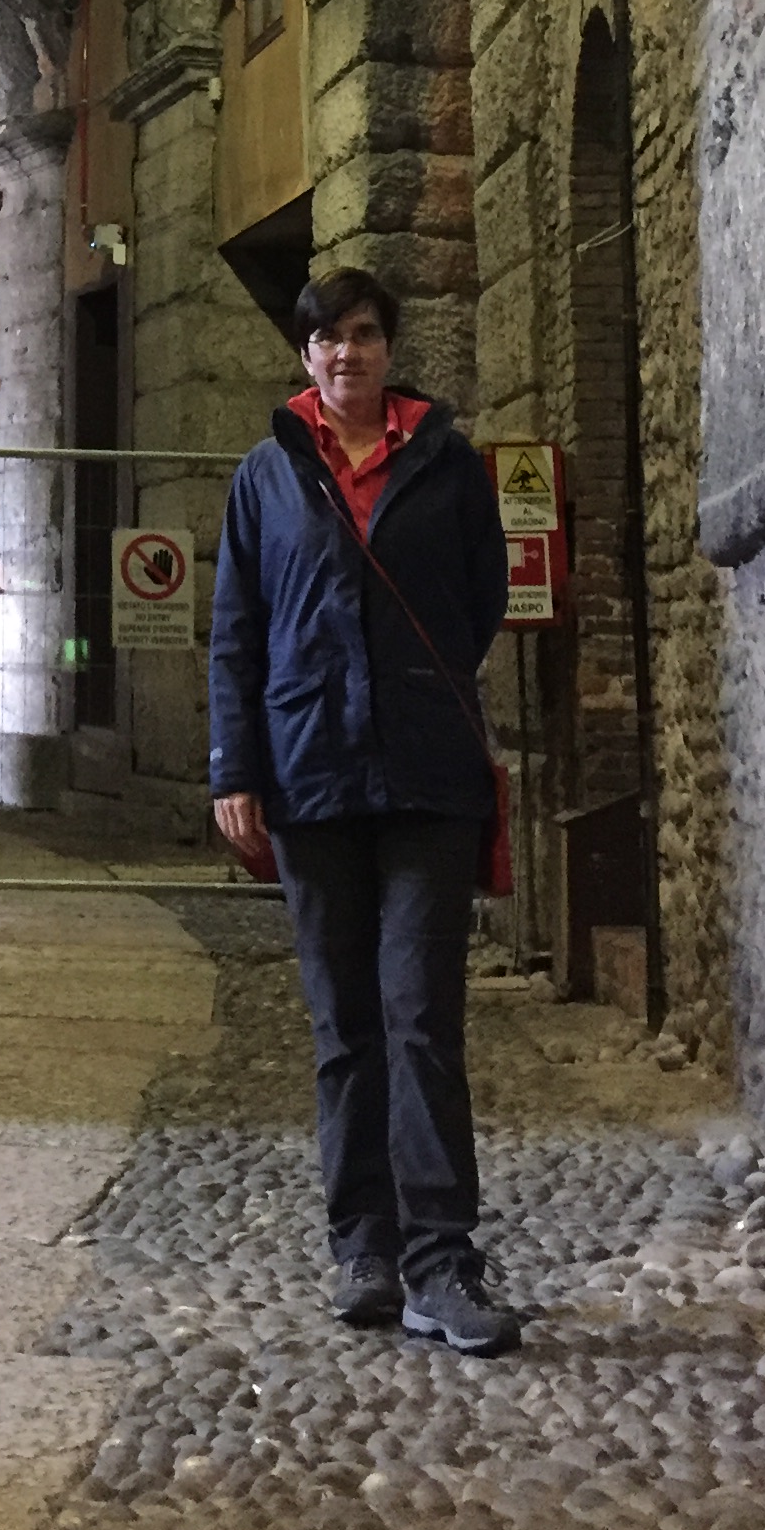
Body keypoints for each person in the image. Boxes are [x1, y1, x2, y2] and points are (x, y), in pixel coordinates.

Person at [207, 267, 516, 1355]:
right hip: (310, 776)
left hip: (427, 778)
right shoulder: (266, 477)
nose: (348, 353)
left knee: (421, 1018)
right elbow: (237, 631)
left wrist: (409, 688)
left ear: (390, 348)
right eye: (328, 338)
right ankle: (364, 1249)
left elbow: (481, 600)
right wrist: (234, 768)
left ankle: (441, 1258)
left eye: (365, 334)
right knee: (345, 1028)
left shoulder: (448, 465)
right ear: (306, 356)